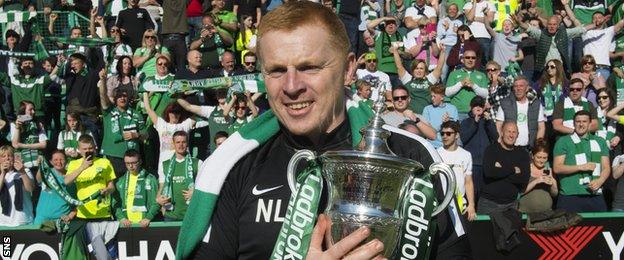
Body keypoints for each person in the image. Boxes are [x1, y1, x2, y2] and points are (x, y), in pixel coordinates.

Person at [185, 2, 470, 259]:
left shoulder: (411, 156)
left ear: (348, 70)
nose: (291, 86)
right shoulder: (233, 165)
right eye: (276, 70)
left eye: (309, 67)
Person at [64, 135, 118, 259]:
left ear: (95, 147)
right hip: (84, 217)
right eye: (84, 149)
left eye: (90, 148)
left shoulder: (104, 162)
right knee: (92, 255)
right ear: (79, 149)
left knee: (107, 254)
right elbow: (67, 181)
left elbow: (112, 186)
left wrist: (107, 190)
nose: (88, 151)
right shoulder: (73, 164)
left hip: (103, 215)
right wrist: (82, 167)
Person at [553, 110, 610, 212]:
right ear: (574, 123)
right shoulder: (563, 141)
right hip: (570, 195)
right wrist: (581, 167)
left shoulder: (600, 141)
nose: (581, 124)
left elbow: (606, 167)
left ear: (590, 123)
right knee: (567, 228)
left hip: (595, 193)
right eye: (578, 121)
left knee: (600, 227)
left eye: (584, 121)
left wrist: (600, 180)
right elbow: (557, 168)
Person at [98, 69, 145, 176]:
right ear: (115, 99)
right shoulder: (108, 112)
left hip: (132, 158)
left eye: (124, 96)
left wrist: (136, 134)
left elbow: (145, 134)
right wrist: (103, 80)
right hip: (112, 155)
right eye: (119, 96)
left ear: (129, 98)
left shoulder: (137, 114)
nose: (122, 98)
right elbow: (103, 97)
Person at [479, 121, 530, 214]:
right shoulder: (491, 150)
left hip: (510, 205)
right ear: (502, 132)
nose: (511, 135)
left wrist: (500, 170)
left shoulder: (523, 154)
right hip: (488, 204)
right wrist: (513, 170)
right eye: (508, 131)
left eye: (514, 132)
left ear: (518, 135)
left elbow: (524, 179)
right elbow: (489, 172)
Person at [143, 93, 195, 180]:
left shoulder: (185, 125)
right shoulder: (162, 124)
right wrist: (144, 91)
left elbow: (197, 112)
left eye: (177, 112)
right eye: (172, 111)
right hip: (164, 166)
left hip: (183, 166)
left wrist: (179, 96)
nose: (174, 114)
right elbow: (148, 109)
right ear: (168, 113)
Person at [460, 96, 498, 202]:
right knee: (471, 192)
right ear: (471, 107)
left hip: (485, 163)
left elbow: (496, 136)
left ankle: (482, 215)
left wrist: (489, 122)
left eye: (480, 105)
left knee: (484, 193)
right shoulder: (466, 122)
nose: (478, 107)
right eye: (475, 105)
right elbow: (464, 138)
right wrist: (475, 123)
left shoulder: (488, 122)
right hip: (471, 164)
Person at [156, 131, 201, 221]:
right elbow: (162, 186)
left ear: (187, 143)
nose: (181, 145)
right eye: (178, 142)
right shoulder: (164, 164)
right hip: (171, 214)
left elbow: (205, 186)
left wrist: (196, 192)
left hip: (191, 213)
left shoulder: (198, 163)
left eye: (183, 142)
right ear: (173, 144)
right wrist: (158, 199)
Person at [437, 121, 476, 221]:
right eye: (442, 133)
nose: (445, 136)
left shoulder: (466, 155)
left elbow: (468, 182)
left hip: (459, 205)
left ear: (457, 135)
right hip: (440, 204)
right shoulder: (436, 153)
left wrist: (471, 205)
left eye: (449, 133)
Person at [496, 76, 546, 149]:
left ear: (527, 88)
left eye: (521, 86)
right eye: (516, 86)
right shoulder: (505, 103)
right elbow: (498, 124)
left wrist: (537, 145)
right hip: (509, 146)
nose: (518, 89)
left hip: (529, 146)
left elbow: (541, 127)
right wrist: (500, 139)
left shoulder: (536, 104)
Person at [113, 149, 160, 228]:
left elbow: (157, 201)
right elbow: (115, 203)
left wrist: (148, 217)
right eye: (128, 163)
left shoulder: (150, 179)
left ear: (140, 161)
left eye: (134, 163)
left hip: (145, 224)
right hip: (126, 224)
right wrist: (122, 218)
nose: (131, 166)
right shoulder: (120, 181)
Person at [34, 150, 76, 225]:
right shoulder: (46, 172)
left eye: (61, 159)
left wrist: (69, 216)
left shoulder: (71, 178)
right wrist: (41, 165)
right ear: (51, 162)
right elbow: (38, 179)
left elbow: (75, 204)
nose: (59, 162)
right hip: (41, 219)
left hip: (60, 221)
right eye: (55, 160)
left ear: (66, 161)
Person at [446, 49, 489, 120]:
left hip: (475, 113)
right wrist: (461, 84)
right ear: (462, 60)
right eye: (467, 57)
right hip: (457, 112)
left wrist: (473, 85)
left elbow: (485, 94)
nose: (470, 60)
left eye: (473, 58)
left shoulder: (482, 75)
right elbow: (447, 93)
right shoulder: (453, 74)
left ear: (476, 60)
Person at [519, 139, 558, 213]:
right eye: (539, 157)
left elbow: (554, 194)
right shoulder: (525, 169)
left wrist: (553, 182)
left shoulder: (549, 170)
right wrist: (536, 181)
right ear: (533, 156)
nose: (541, 161)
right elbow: (520, 192)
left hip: (546, 213)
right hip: (526, 213)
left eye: (544, 158)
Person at [0, 145, 34, 227]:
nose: (7, 158)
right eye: (3, 156)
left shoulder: (25, 170)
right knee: (7, 240)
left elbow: (30, 189)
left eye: (10, 156)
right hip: (3, 222)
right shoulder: (1, 175)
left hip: (24, 220)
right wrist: (3, 173)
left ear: (14, 158)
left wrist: (22, 171)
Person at [11, 101, 47, 170]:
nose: (33, 112)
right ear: (23, 111)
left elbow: (43, 144)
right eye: (30, 109)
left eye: (34, 109)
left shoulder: (38, 124)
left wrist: (24, 145)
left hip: (37, 160)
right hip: (22, 162)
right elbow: (15, 144)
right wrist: (18, 128)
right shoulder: (14, 124)